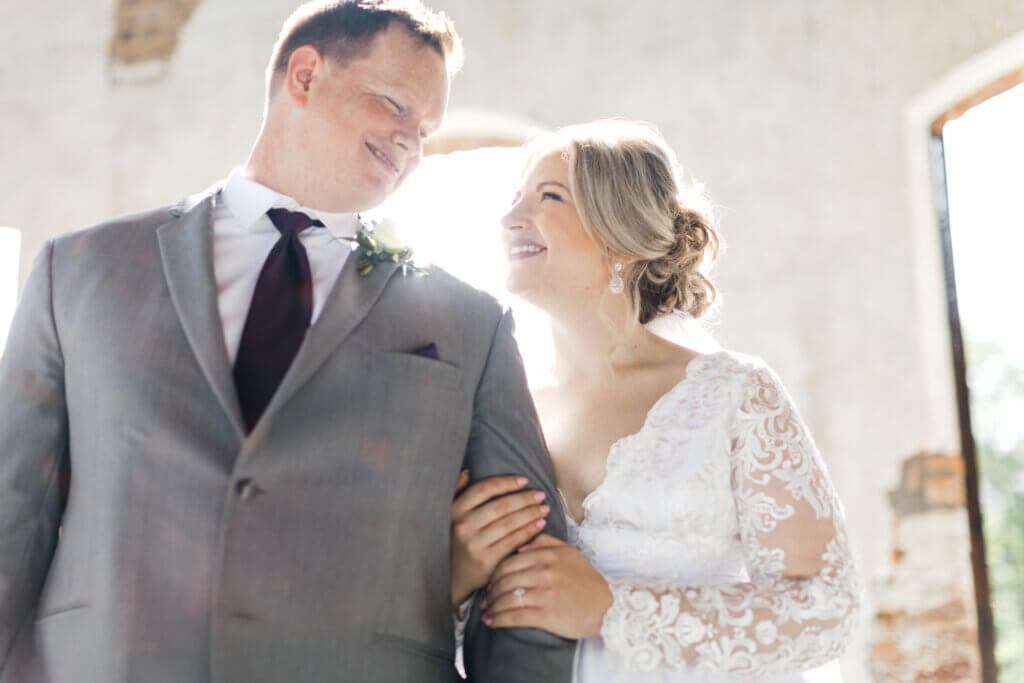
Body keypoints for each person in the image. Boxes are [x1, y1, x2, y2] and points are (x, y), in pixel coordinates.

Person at [0, 2, 575, 681]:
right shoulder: (80, 271)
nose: (410, 144)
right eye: (394, 105)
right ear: (304, 77)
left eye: (425, 130)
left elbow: (531, 575)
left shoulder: (468, 322)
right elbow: (12, 517)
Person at [450, 119, 860, 681]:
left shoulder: (732, 396)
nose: (509, 218)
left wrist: (613, 609)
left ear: (618, 235)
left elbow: (826, 609)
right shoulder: (502, 411)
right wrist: (457, 577)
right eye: (514, 199)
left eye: (548, 196)